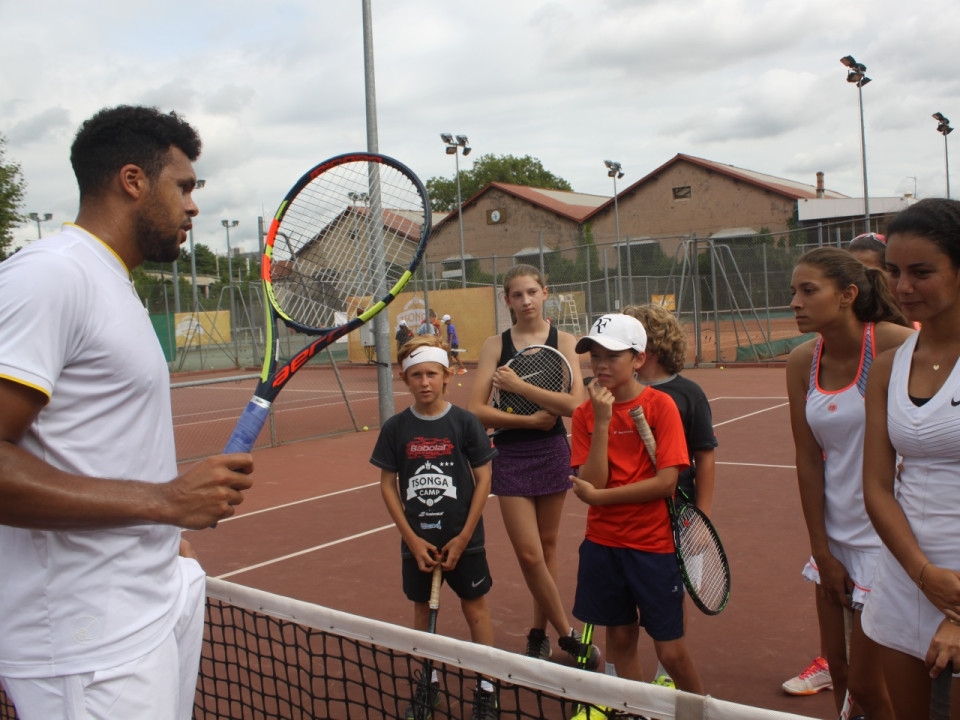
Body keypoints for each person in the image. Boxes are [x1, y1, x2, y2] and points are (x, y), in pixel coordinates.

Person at [0, 105, 254, 720]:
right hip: (86, 639)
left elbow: (92, 442)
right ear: (133, 181)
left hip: (145, 602)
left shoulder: (110, 281)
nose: (193, 206)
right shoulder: (51, 276)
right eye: (185, 186)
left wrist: (160, 539)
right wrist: (164, 504)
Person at [785, 247, 913, 719]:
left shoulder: (895, 344)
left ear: (848, 295)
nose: (795, 302)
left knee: (867, 684)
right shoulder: (801, 361)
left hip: (887, 543)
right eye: (793, 292)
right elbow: (807, 458)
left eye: (808, 290)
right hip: (835, 541)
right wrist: (821, 547)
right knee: (840, 675)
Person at [568, 313, 704, 695]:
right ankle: (639, 712)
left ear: (638, 359)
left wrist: (600, 499)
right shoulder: (585, 414)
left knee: (672, 653)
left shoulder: (661, 406)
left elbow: (666, 483)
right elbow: (593, 479)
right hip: (603, 546)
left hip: (653, 549)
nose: (600, 364)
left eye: (612, 355)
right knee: (622, 641)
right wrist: (602, 419)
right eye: (594, 355)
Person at [861, 198, 960, 718]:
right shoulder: (888, 368)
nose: (902, 288)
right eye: (894, 271)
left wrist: (958, 613)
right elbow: (877, 486)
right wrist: (921, 573)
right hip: (906, 576)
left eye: (922, 272)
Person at [466, 264, 593, 665]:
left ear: (544, 293)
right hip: (510, 456)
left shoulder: (567, 341)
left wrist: (520, 387)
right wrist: (528, 420)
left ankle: (539, 631)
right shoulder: (494, 345)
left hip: (552, 451)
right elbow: (475, 412)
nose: (525, 301)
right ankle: (568, 633)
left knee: (549, 547)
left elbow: (577, 406)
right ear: (507, 300)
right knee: (529, 554)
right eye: (517, 295)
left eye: (532, 292)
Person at [372, 335, 499, 720]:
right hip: (418, 543)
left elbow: (484, 481)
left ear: (448, 376)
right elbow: (386, 484)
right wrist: (411, 538)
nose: (424, 382)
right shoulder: (396, 428)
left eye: (431, 374)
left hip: (465, 541)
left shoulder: (465, 423)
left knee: (476, 612)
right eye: (416, 375)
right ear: (404, 378)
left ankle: (487, 688)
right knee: (422, 614)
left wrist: (463, 537)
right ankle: (427, 687)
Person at [623, 303, 718, 688]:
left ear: (650, 343)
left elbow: (705, 458)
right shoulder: (616, 390)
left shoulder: (687, 394)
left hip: (679, 517)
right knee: (621, 610)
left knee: (671, 604)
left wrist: (701, 519)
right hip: (628, 521)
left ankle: (667, 678)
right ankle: (617, 690)